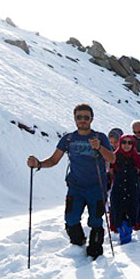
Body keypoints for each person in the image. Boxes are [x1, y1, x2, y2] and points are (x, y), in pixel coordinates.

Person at [27, 103, 115, 259]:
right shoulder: (68, 139)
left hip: (97, 187)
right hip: (76, 187)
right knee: (71, 219)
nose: (82, 120)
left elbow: (112, 158)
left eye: (86, 117)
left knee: (96, 220)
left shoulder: (100, 137)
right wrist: (38, 164)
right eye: (79, 117)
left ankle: (95, 251)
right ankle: (79, 242)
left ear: (91, 119)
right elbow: (54, 160)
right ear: (74, 118)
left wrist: (100, 147)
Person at [109, 135, 140, 243]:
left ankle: (126, 239)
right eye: (124, 142)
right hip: (118, 190)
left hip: (132, 189)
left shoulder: (137, 156)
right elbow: (106, 167)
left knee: (131, 213)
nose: (126, 145)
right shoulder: (114, 156)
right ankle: (123, 237)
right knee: (118, 213)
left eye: (129, 143)